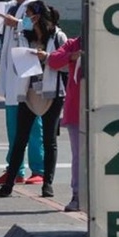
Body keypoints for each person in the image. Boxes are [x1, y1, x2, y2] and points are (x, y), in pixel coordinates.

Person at [0, 1, 67, 199]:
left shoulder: (57, 36)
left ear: (37, 16)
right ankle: (9, 183)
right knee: (20, 139)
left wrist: (48, 58)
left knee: (50, 140)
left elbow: (66, 62)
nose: (24, 19)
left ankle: (47, 183)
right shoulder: (24, 37)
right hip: (28, 92)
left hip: (52, 92)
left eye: (27, 14)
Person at [0, 0, 45, 185]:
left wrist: (20, 24)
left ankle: (39, 169)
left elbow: (45, 29)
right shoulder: (12, 7)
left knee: (32, 123)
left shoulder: (37, 5)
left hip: (27, 72)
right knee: (13, 123)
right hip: (12, 73)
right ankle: (15, 169)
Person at [48, 35, 83, 212]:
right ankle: (77, 195)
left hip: (103, 110)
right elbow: (53, 60)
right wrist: (71, 56)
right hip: (76, 110)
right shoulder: (73, 44)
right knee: (78, 155)